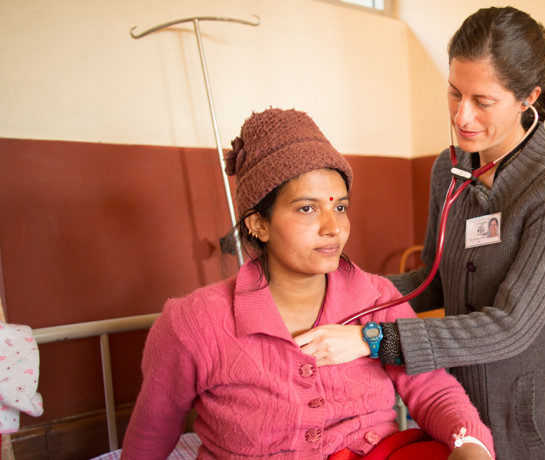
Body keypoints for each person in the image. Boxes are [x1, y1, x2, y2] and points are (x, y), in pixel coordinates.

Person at [295, 7, 545, 458]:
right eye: (455, 93)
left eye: (483, 101)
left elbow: (512, 327)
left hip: (537, 433)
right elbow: (433, 279)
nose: (463, 116)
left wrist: (374, 339)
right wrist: (335, 291)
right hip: (461, 422)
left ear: (527, 98)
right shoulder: (450, 169)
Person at [121, 109, 494, 459]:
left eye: (341, 207)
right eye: (307, 208)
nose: (333, 228)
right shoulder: (194, 325)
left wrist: (470, 443)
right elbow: (151, 435)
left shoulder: (376, 299)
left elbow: (431, 388)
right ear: (258, 224)